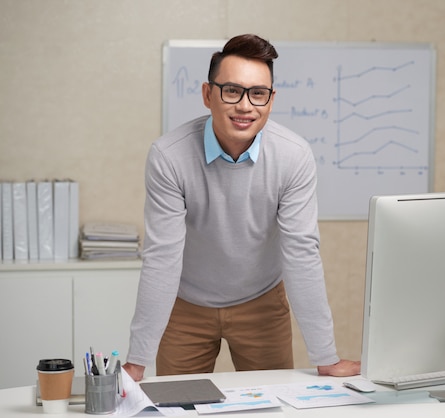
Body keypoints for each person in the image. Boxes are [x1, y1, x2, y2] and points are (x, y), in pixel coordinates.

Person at [123, 34, 361, 381]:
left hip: (261, 302)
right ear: (208, 94)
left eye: (258, 93)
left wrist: (325, 356)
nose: (245, 106)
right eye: (232, 91)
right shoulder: (169, 157)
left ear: (271, 99)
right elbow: (162, 257)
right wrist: (136, 360)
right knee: (175, 405)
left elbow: (301, 253)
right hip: (186, 305)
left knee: (275, 403)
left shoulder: (293, 157)